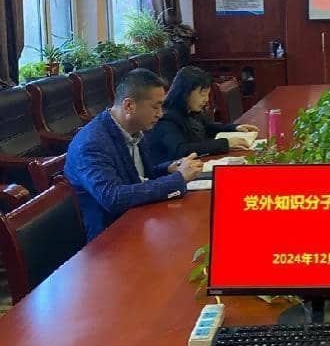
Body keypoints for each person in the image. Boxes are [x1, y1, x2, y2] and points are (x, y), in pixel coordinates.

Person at [64, 69, 203, 241]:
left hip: (141, 219)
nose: (161, 114)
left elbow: (135, 176)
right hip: (111, 238)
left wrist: (167, 169)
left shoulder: (134, 129)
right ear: (129, 106)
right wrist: (178, 179)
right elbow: (113, 197)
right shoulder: (92, 144)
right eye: (155, 107)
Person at [146, 66, 259, 167]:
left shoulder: (190, 109)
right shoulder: (166, 118)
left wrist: (235, 128)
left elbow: (207, 127)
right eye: (203, 94)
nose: (206, 100)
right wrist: (226, 143)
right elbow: (181, 150)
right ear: (186, 92)